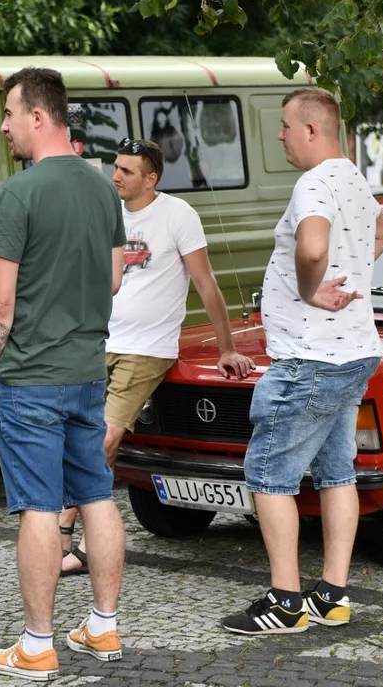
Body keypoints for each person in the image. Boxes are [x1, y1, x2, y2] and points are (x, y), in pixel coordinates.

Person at [222, 88, 383, 635]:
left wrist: (310, 287)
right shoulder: (353, 178)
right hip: (352, 352)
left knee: (268, 476)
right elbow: (382, 231)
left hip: (308, 359)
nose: (280, 136)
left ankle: (285, 602)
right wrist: (353, 270)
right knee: (337, 471)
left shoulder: (314, 182)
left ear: (312, 130)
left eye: (286, 126)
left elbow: (313, 247)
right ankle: (333, 596)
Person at [0, 67, 127, 682]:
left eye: (11, 113)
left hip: (29, 376)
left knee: (38, 506)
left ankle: (37, 645)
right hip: (88, 371)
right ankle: (102, 625)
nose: (6, 126)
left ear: (39, 116)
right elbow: (115, 277)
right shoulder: (103, 189)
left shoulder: (19, 193)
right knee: (95, 494)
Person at [57, 138, 256, 577]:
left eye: (127, 171)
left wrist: (227, 348)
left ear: (151, 179)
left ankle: (64, 532)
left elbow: (206, 284)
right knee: (81, 437)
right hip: (98, 340)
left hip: (146, 349)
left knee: (105, 440)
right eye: (115, 167)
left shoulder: (178, 215)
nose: (116, 176)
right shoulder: (107, 210)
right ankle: (87, 541)